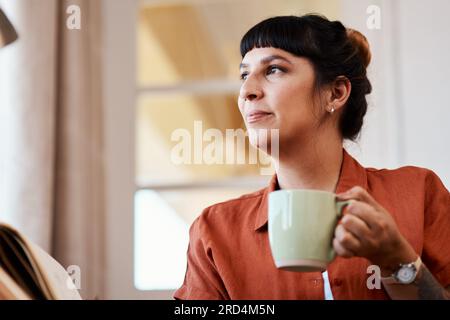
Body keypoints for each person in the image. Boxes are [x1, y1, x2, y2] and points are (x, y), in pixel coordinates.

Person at [173, 14, 450, 300]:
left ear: (336, 92)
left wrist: (397, 261)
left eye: (274, 70)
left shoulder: (419, 194)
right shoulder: (213, 231)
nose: (247, 91)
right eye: (244, 74)